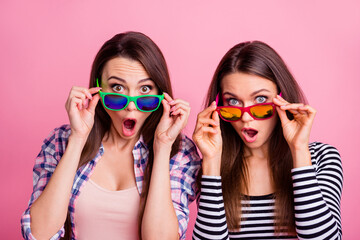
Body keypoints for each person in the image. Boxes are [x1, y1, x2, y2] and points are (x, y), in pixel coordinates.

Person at [21, 31, 200, 240]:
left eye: (145, 89)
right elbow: (39, 235)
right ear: (97, 89)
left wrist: (163, 147)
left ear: (161, 94)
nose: (131, 106)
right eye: (117, 88)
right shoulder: (61, 142)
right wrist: (78, 139)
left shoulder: (179, 152)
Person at [192, 41, 343, 239]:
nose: (246, 117)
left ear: (282, 99)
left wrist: (299, 151)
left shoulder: (322, 158)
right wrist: (211, 163)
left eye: (261, 100)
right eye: (234, 102)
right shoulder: (213, 167)